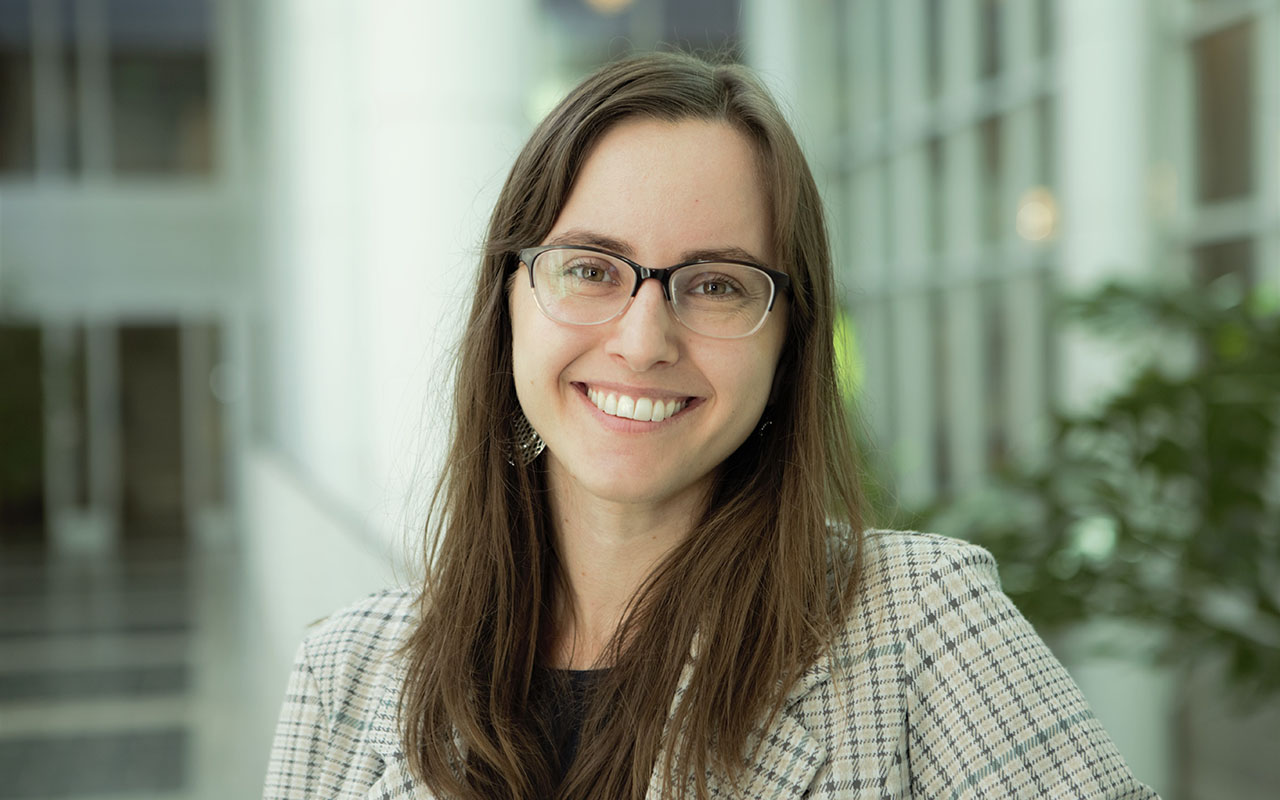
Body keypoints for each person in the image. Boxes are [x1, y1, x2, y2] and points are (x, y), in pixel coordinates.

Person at [264, 51, 1159, 799]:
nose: (644, 340)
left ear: (788, 343)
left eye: (719, 284)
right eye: (591, 269)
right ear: (507, 303)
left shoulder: (924, 625)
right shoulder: (346, 673)